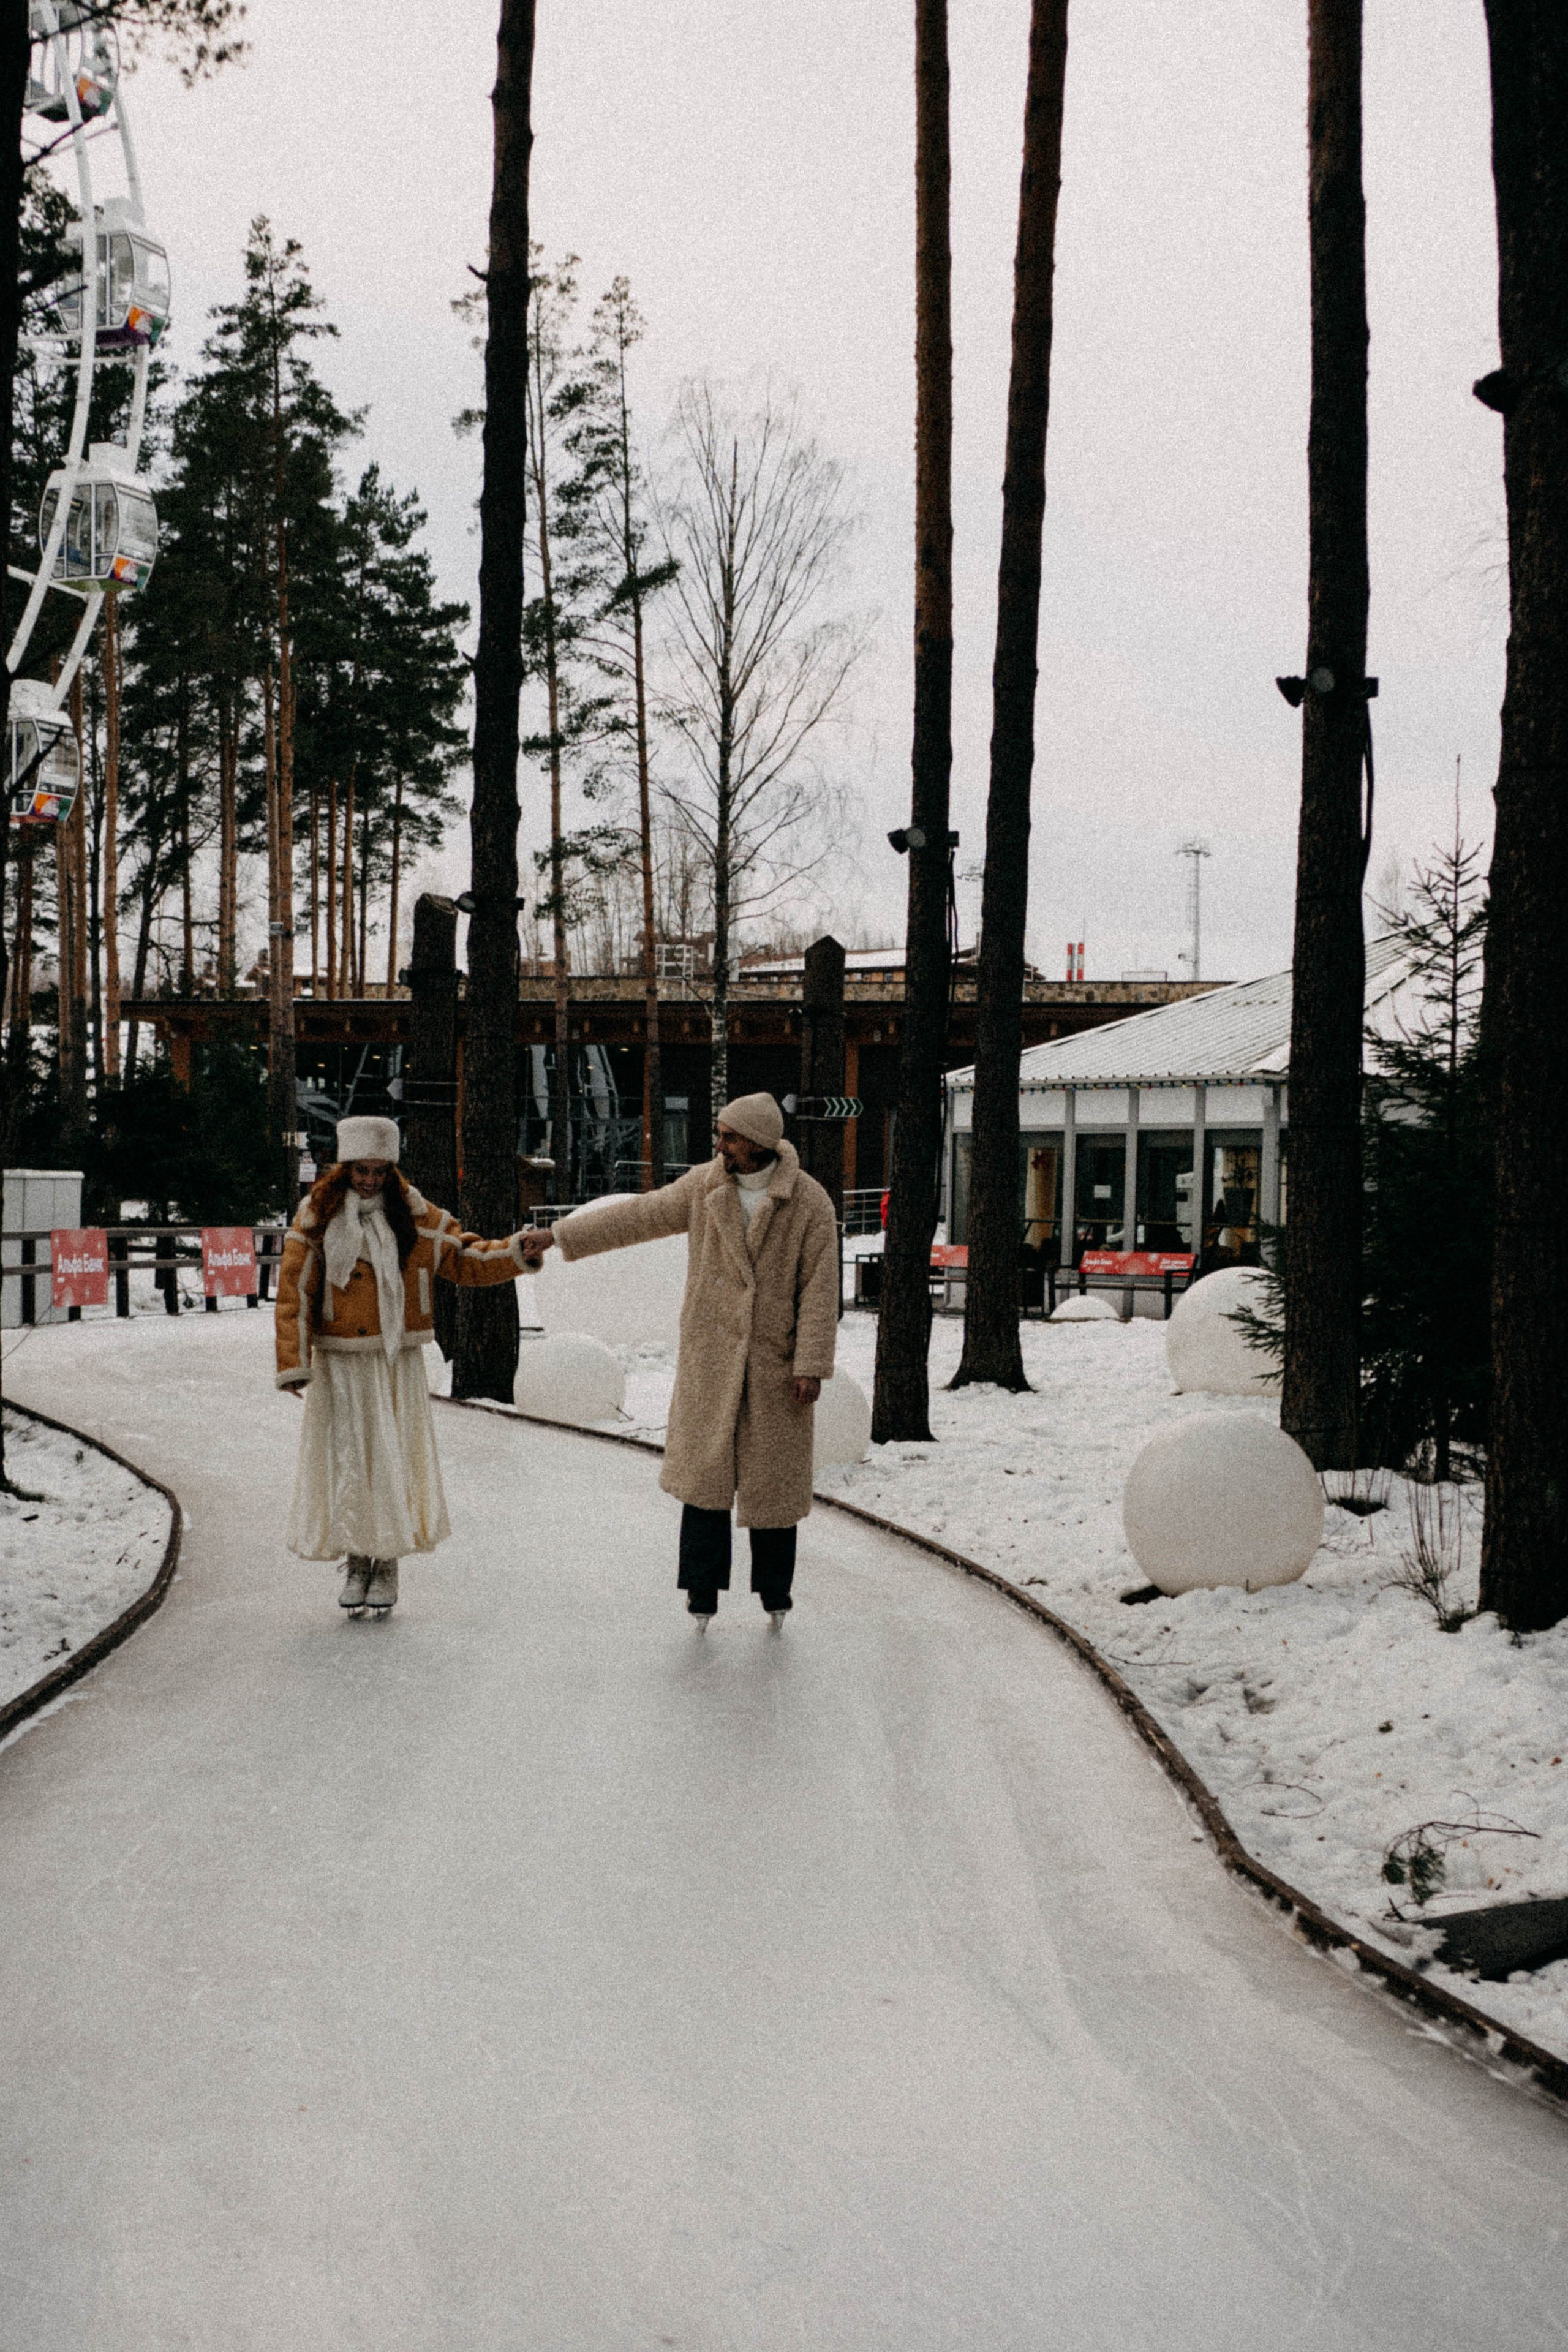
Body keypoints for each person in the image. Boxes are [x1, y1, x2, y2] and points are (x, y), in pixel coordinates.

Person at [521, 1093, 837, 1630]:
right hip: (712, 1358)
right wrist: (560, 1235)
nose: (720, 1146)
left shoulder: (809, 1203)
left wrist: (809, 1364)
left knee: (772, 1488)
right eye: (720, 1134)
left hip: (774, 1366)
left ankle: (775, 1593)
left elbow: (820, 1288)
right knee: (705, 1481)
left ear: (758, 1143)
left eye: (730, 1137)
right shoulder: (705, 1186)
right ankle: (701, 1591)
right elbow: (639, 1217)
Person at [274, 1116, 531, 1618]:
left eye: (380, 1170)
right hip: (342, 1360)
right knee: (350, 1458)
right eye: (361, 1170)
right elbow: (293, 1293)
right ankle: (356, 1560)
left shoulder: (416, 1217)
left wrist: (517, 1252)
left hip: (396, 1361)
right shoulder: (317, 1217)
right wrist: (293, 1360)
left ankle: (386, 1561)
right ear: (345, 1167)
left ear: (392, 1169)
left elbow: (469, 1258)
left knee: (391, 1460)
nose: (370, 1180)